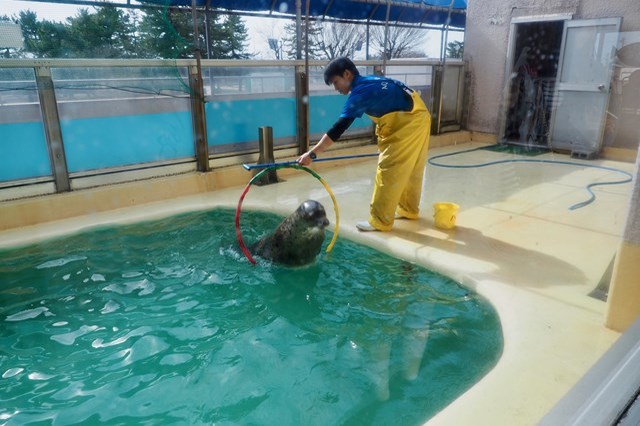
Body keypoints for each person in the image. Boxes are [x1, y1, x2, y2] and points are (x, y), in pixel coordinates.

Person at [297, 57, 431, 232]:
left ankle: (380, 221)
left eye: (336, 82)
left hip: (407, 123)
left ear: (347, 74)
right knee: (412, 168)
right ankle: (408, 209)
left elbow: (338, 128)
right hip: (420, 114)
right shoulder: (371, 80)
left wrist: (312, 154)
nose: (336, 88)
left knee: (389, 170)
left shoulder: (360, 93)